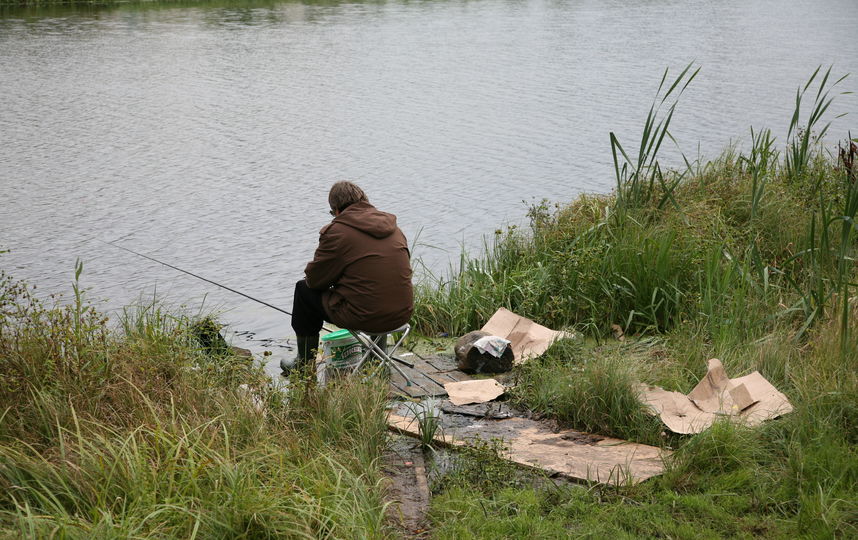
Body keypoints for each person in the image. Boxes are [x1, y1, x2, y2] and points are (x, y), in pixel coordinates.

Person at [283, 181, 413, 373]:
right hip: (401, 313)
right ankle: (377, 359)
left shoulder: (337, 232)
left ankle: (303, 364)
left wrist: (336, 283)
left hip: (366, 317)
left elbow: (315, 280)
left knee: (303, 292)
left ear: (336, 209)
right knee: (378, 293)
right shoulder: (394, 228)